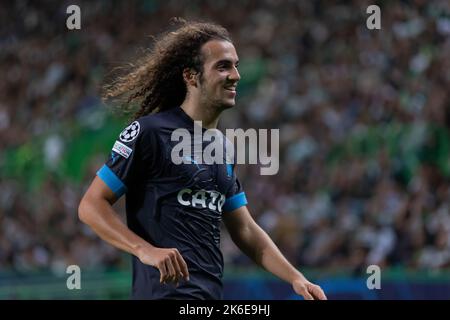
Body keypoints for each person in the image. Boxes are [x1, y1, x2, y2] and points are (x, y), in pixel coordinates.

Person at [78, 19, 327, 300]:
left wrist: (296, 278)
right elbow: (90, 205)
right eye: (223, 66)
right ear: (191, 76)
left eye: (235, 65)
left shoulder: (222, 147)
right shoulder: (150, 133)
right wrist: (143, 250)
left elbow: (244, 229)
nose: (235, 75)